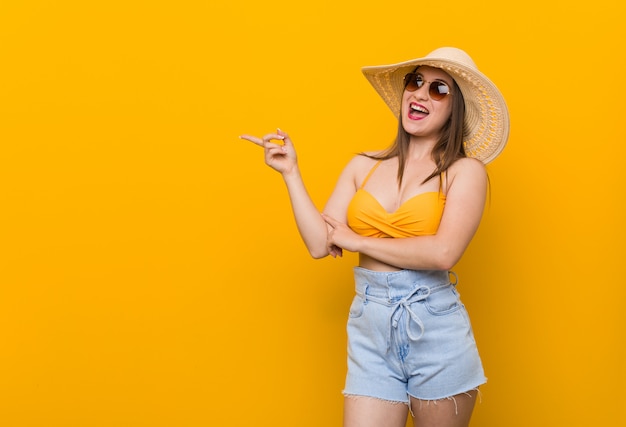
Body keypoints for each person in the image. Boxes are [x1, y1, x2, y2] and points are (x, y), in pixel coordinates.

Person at [240, 47, 509, 427]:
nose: (420, 93)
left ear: (456, 109)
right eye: (415, 82)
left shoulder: (465, 172)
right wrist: (291, 174)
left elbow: (444, 252)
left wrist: (360, 242)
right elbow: (320, 244)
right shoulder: (363, 166)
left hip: (434, 322)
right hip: (371, 321)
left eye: (439, 89)